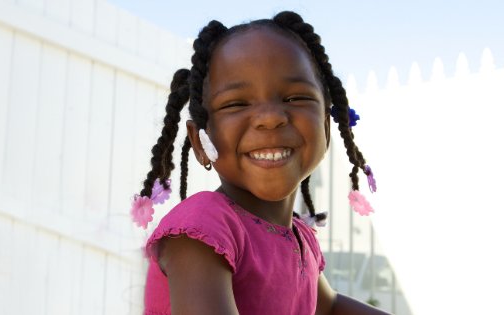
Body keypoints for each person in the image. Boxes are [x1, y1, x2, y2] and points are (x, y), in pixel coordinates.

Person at [131, 11, 388, 315]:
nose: (270, 117)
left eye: (294, 98)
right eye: (236, 103)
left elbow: (329, 307)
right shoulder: (201, 228)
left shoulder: (298, 236)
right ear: (200, 141)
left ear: (327, 126)